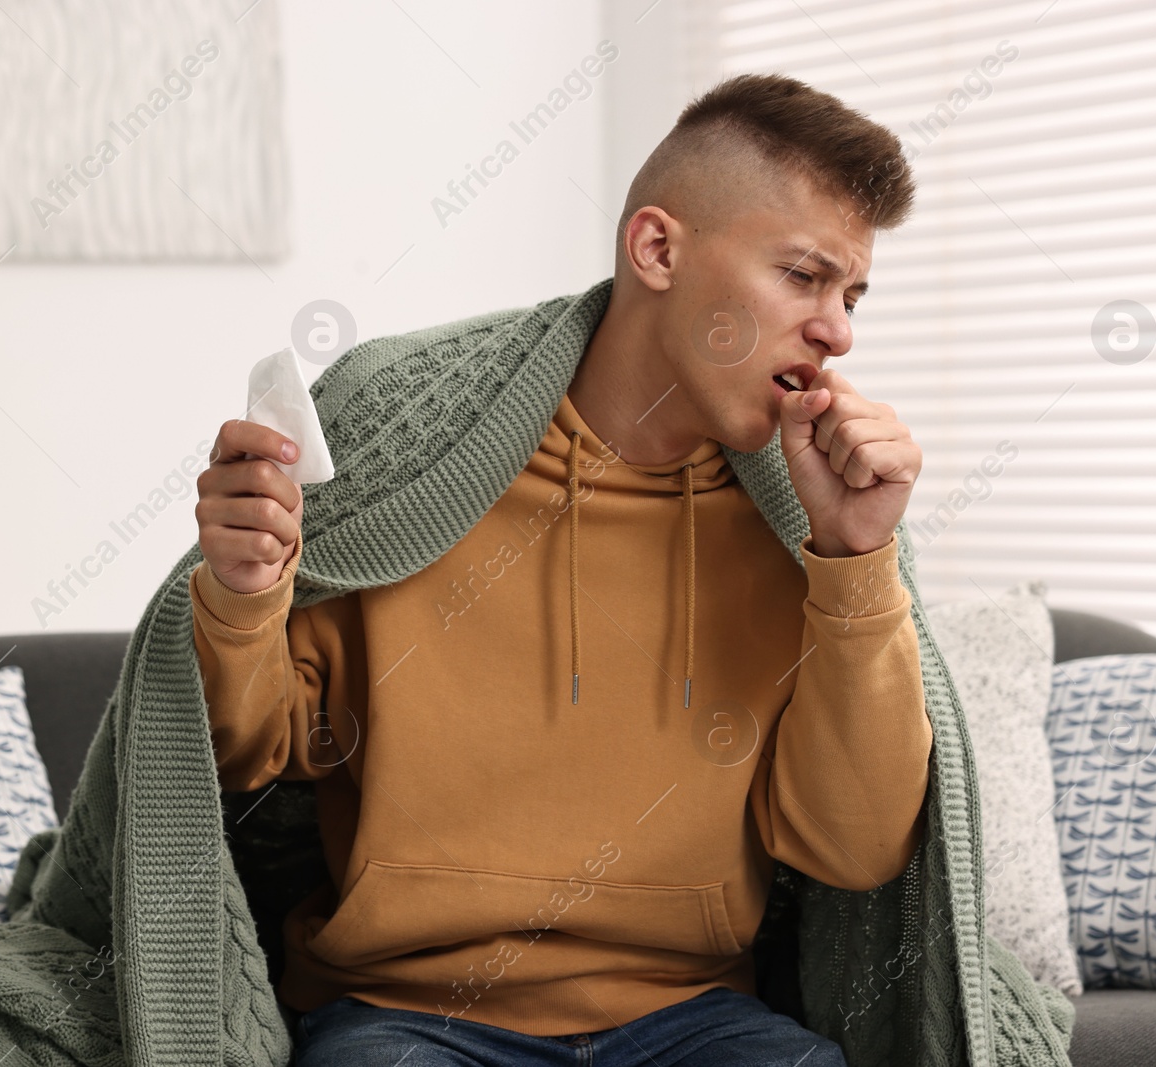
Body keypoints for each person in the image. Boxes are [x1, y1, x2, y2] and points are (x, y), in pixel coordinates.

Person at [189, 72, 929, 1066]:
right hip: (407, 1013)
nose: (837, 328)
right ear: (658, 249)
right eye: (802, 276)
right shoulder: (410, 456)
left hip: (693, 1017)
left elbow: (857, 848)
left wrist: (855, 558)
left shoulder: (804, 518)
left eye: (851, 293)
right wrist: (242, 595)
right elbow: (247, 757)